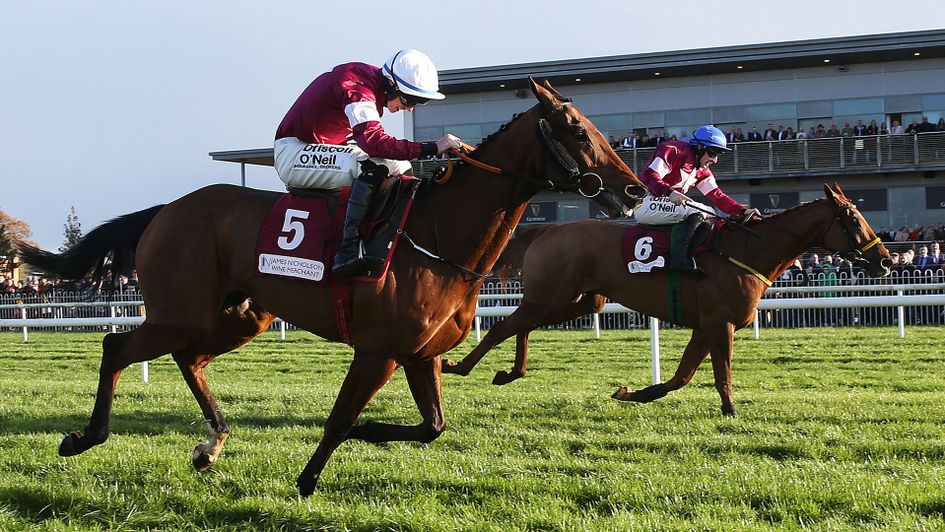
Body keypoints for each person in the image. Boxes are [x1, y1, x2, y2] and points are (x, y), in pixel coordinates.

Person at [274, 49, 463, 277]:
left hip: (323, 148)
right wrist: (431, 147)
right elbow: (374, 143)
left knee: (401, 167)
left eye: (419, 102)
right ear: (391, 85)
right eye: (410, 99)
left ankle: (381, 235)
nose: (411, 107)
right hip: (294, 153)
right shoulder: (357, 86)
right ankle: (349, 250)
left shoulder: (371, 83)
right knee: (376, 165)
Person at [635, 125, 760, 272]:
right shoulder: (673, 150)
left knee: (709, 212)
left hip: (664, 206)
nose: (715, 160)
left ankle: (694, 255)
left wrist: (742, 211)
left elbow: (718, 197)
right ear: (700, 147)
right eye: (713, 153)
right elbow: (649, 175)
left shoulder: (702, 171)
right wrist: (669, 192)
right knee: (698, 210)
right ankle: (679, 259)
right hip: (644, 202)